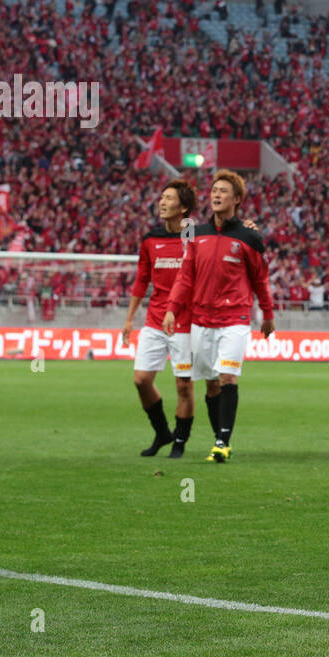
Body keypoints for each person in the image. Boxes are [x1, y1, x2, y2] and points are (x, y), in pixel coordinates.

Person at [164, 170, 274, 463]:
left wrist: (268, 314)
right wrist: (173, 308)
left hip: (235, 319)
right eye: (214, 190)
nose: (216, 195)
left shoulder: (250, 237)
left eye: (223, 191)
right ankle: (219, 438)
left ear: (237, 199)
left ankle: (223, 441)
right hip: (200, 321)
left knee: (227, 377)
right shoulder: (195, 232)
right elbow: (186, 275)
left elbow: (260, 280)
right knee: (211, 383)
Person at [124, 180, 197, 459]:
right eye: (161, 198)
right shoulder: (150, 239)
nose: (162, 203)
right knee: (141, 379)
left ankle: (179, 441)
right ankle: (162, 432)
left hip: (186, 322)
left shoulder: (194, 238)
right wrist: (129, 319)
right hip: (155, 319)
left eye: (169, 198)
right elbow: (142, 280)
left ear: (184, 207)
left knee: (183, 384)